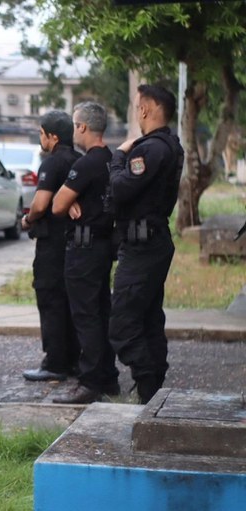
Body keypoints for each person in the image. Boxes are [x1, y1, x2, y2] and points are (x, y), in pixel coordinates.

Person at [108, 84, 183, 404]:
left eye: (138, 106)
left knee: (123, 322)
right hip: (152, 240)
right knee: (149, 316)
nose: (136, 112)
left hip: (142, 246)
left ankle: (147, 383)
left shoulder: (148, 149)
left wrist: (118, 156)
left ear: (145, 110)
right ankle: (153, 390)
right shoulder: (171, 145)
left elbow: (120, 189)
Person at [50, 102, 119, 403]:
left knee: (86, 316)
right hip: (103, 245)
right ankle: (107, 377)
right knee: (101, 312)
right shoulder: (112, 160)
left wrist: (67, 201)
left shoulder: (86, 164)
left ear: (82, 127)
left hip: (83, 248)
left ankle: (89, 382)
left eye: (75, 124)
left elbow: (56, 205)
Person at [20, 111, 81, 382]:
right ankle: (72, 360)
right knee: (70, 303)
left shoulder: (51, 163)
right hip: (75, 243)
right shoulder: (80, 161)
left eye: (42, 133)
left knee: (50, 301)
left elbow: (41, 203)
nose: (40, 138)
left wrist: (27, 219)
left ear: (53, 137)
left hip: (51, 245)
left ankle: (55, 363)